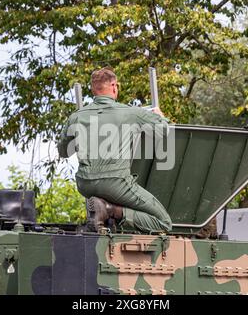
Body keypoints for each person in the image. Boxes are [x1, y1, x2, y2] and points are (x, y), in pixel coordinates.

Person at [58, 67, 172, 233]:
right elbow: (163, 130)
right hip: (116, 183)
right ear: (113, 86)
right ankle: (110, 209)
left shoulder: (76, 116)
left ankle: (101, 210)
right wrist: (160, 116)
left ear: (93, 90)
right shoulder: (129, 112)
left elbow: (63, 152)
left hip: (85, 185)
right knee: (164, 222)